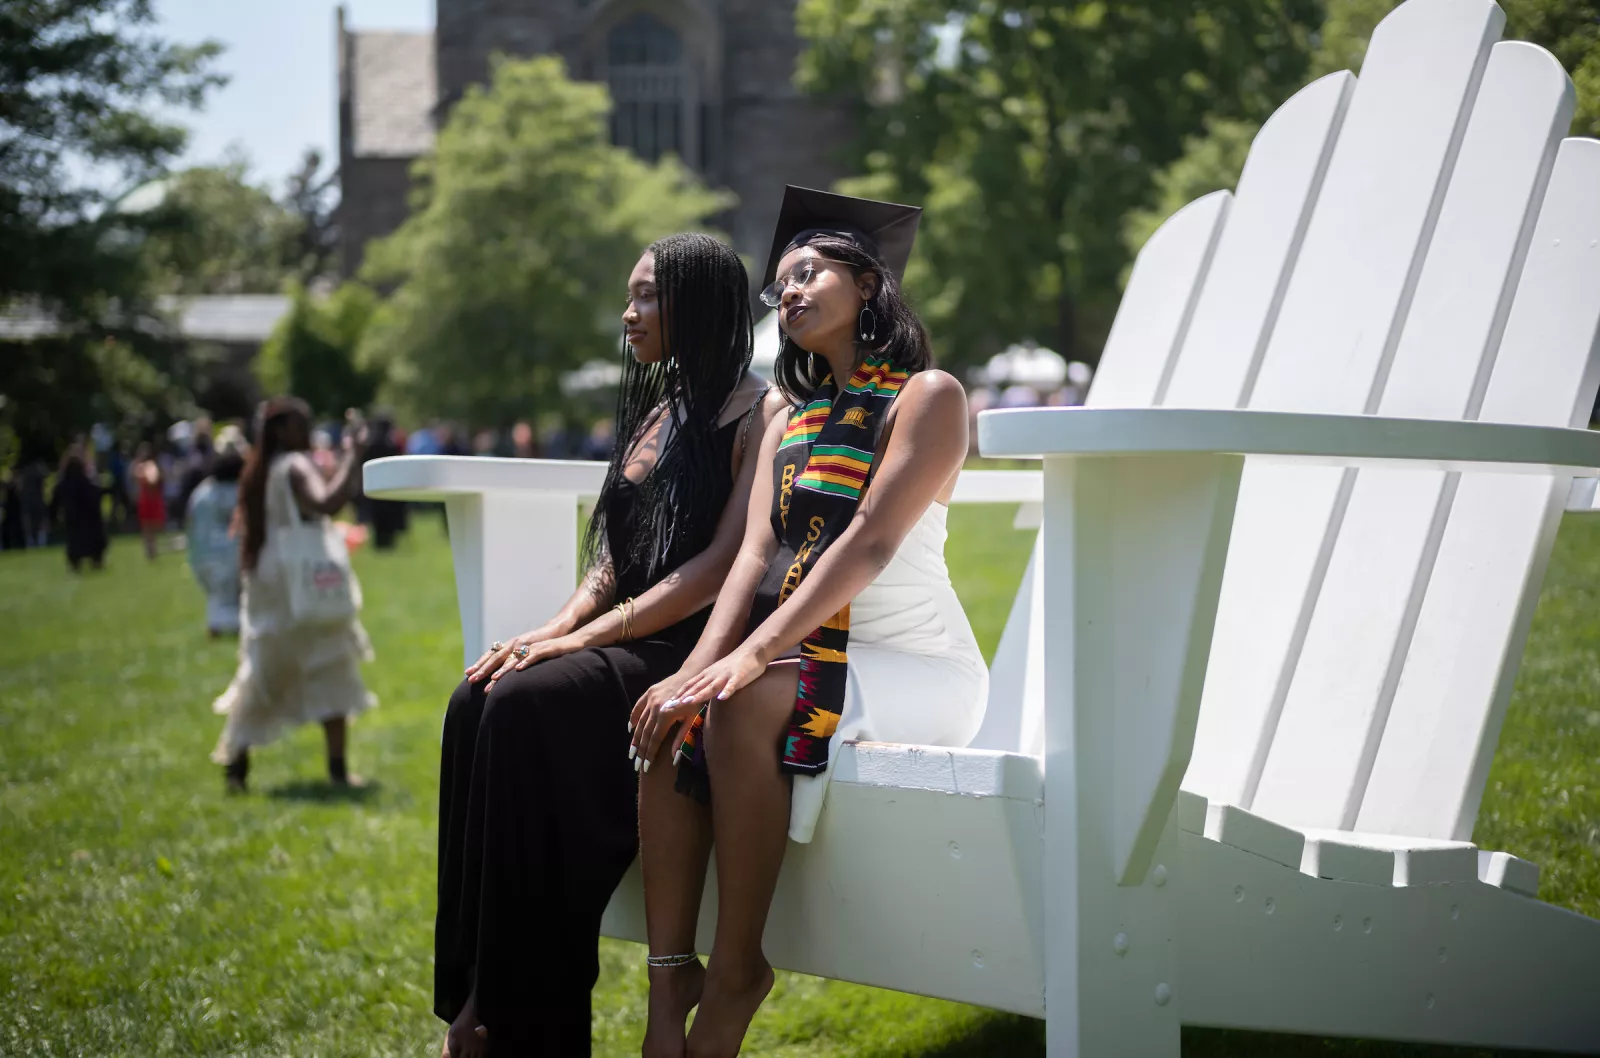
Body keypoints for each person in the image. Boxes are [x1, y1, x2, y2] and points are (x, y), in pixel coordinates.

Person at [629, 187, 987, 1057]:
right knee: (673, 718)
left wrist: (747, 662)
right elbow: (750, 559)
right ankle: (667, 981)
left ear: (869, 285)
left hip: (913, 667)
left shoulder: (926, 398)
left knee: (740, 703)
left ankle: (738, 969)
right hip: (811, 652)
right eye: (780, 282)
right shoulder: (788, 416)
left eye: (811, 271)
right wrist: (693, 672)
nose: (789, 291)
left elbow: (867, 545)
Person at [434, 232, 781, 1058]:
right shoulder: (656, 410)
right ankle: (475, 998)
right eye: (628, 296)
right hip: (622, 638)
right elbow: (610, 561)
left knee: (524, 706)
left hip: (688, 650)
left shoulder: (762, 413)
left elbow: (716, 567)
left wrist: (585, 639)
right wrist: (547, 633)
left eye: (647, 296)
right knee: (475, 695)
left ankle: (524, 1023)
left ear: (700, 302)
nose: (629, 314)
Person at [210, 398, 375, 793]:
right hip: (298, 584)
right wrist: (354, 453)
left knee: (263, 672)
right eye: (301, 424)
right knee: (331, 663)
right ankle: (337, 770)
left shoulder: (260, 469)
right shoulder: (295, 465)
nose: (307, 430)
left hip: (272, 583)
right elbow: (327, 501)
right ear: (281, 429)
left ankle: (236, 766)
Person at [186, 433, 246, 637]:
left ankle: (216, 627)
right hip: (232, 555)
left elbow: (191, 525)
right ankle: (227, 626)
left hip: (201, 558)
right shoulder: (240, 491)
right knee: (232, 593)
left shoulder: (201, 493)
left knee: (218, 596)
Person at [48, 444, 108, 572]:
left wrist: (52, 516)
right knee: (92, 541)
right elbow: (96, 494)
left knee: (75, 543)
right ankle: (95, 561)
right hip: (88, 518)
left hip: (73, 518)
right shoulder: (86, 480)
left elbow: (55, 499)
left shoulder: (64, 482)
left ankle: (77, 563)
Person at [131, 443, 165, 560]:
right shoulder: (146, 466)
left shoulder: (146, 466)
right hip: (148, 499)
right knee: (148, 529)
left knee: (149, 529)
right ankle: (151, 552)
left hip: (149, 499)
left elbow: (152, 480)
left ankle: (151, 551)